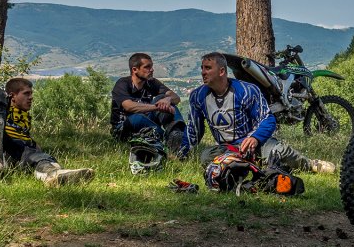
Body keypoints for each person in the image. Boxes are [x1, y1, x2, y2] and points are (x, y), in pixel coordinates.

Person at [180, 52, 335, 178]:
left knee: (280, 151)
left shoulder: (246, 90)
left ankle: (309, 164)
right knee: (205, 157)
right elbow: (193, 129)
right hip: (226, 149)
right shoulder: (197, 96)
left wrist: (255, 138)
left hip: (256, 144)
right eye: (202, 68)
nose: (203, 72)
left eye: (207, 68)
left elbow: (268, 119)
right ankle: (249, 165)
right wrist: (182, 153)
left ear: (221, 71)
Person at [0, 77, 95, 186]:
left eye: (31, 93)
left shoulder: (24, 118)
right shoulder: (2, 107)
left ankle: (53, 174)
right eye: (26, 93)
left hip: (12, 154)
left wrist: (34, 148)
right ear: (12, 96)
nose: (31, 97)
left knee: (36, 155)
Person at [110, 52, 185, 150]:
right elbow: (128, 106)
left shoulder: (151, 82)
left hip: (147, 124)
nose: (152, 69)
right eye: (147, 67)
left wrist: (168, 99)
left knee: (163, 99)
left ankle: (179, 133)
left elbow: (176, 98)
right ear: (134, 70)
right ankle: (168, 140)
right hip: (123, 128)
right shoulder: (123, 83)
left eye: (151, 66)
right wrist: (157, 107)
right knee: (138, 118)